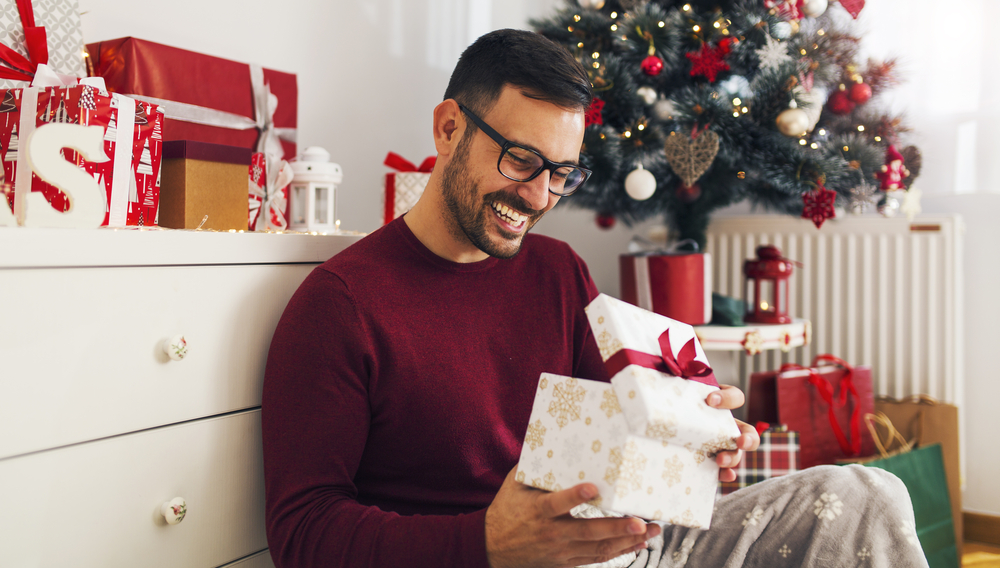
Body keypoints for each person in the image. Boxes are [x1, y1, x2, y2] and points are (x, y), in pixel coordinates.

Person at [262, 29, 927, 568]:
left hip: (631, 546)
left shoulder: (556, 270)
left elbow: (626, 422)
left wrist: (701, 439)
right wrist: (486, 544)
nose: (538, 197)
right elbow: (303, 532)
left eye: (561, 174)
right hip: (492, 560)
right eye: (521, 160)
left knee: (867, 491)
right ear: (447, 129)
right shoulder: (341, 304)